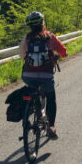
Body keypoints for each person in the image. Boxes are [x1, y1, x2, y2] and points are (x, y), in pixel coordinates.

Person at [19, 11, 67, 139]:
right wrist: (60, 56)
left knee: (31, 90)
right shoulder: (50, 37)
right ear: (42, 23)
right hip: (46, 75)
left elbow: (21, 55)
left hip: (28, 75)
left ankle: (29, 113)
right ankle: (51, 126)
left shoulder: (27, 39)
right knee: (51, 98)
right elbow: (63, 51)